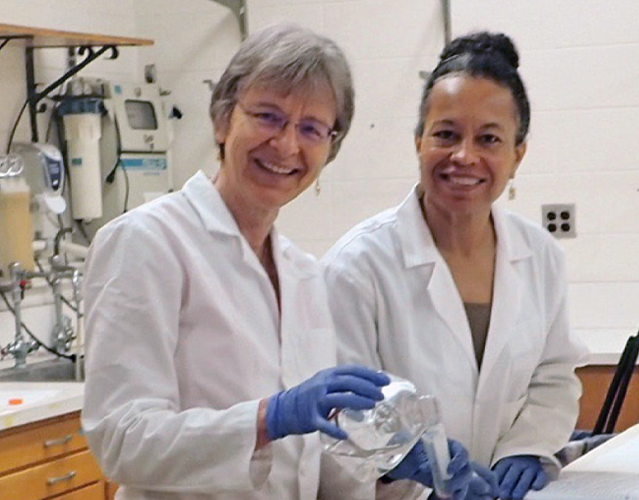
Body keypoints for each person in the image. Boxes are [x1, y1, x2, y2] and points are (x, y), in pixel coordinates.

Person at [81, 24, 487, 500]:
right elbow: (121, 440)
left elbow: (308, 461)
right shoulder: (147, 243)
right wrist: (266, 418)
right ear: (221, 120)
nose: (287, 145)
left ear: (328, 150)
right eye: (268, 116)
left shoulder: (303, 274)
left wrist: (396, 467)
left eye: (311, 128)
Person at [324, 31, 590, 500]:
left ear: (517, 153)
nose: (464, 157)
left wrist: (526, 448)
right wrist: (403, 461)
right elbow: (338, 415)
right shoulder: (358, 266)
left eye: (489, 138)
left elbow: (553, 377)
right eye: (446, 135)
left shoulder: (540, 256)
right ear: (418, 141)